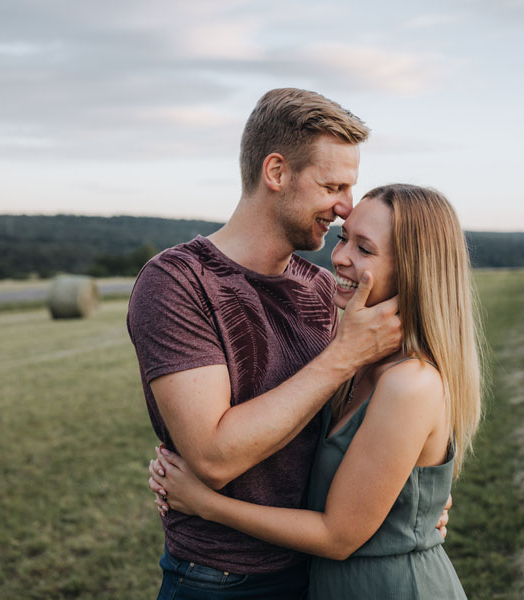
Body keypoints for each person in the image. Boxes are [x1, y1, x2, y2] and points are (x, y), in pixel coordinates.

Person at [128, 88, 420, 599]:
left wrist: (411, 504)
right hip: (223, 579)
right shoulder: (178, 282)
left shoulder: (321, 286)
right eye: (333, 185)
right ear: (277, 173)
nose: (346, 208)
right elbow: (214, 457)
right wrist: (342, 357)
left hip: (320, 569)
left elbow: (359, 422)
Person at [150, 184, 483, 599]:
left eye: (364, 248)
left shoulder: (408, 381)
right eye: (344, 238)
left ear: (413, 270)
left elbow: (338, 535)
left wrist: (205, 504)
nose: (338, 256)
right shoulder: (354, 358)